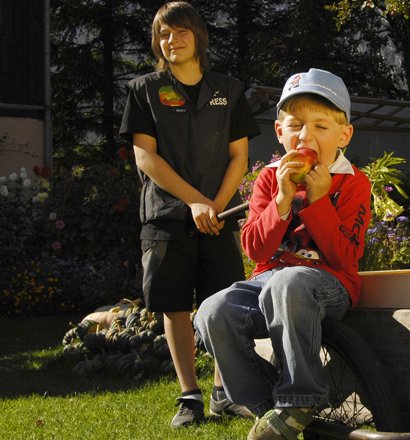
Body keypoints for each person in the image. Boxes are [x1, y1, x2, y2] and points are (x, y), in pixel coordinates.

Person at [194, 68, 371, 440]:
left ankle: (301, 397)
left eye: (320, 127)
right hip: (268, 281)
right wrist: (282, 201)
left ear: (344, 135)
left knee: (289, 281)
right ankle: (266, 406)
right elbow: (255, 249)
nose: (305, 135)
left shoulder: (352, 182)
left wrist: (320, 202)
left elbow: (345, 257)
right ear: (280, 132)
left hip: (330, 284)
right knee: (212, 311)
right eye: (295, 125)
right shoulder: (269, 179)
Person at [119, 1, 259, 428]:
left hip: (219, 215)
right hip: (165, 217)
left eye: (180, 32)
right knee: (175, 306)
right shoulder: (144, 90)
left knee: (223, 303)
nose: (171, 40)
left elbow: (240, 157)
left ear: (198, 36)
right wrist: (194, 201)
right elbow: (145, 157)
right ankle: (189, 396)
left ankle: (222, 392)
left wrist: (215, 205)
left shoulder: (230, 90)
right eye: (163, 33)